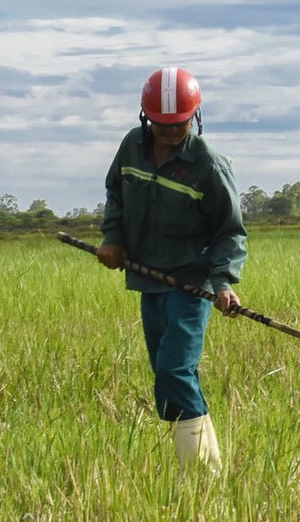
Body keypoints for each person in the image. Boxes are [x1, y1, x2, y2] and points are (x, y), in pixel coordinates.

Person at [95, 66, 248, 472]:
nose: (170, 132)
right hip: (148, 279)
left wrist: (223, 282)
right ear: (146, 118)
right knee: (168, 376)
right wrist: (113, 239)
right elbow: (115, 192)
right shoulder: (132, 146)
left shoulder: (209, 165)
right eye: (161, 125)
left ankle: (198, 474)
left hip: (191, 284)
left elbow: (230, 231)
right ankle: (208, 468)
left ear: (194, 117)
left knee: (174, 370)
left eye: (178, 124)